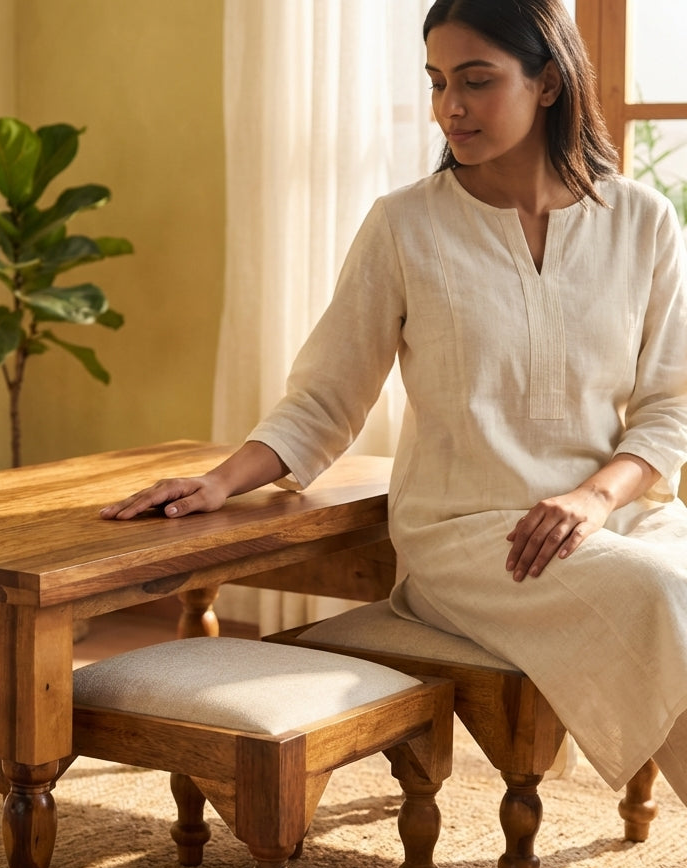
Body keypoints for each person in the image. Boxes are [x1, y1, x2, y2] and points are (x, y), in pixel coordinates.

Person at [100, 0, 687, 805]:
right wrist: (221, 481)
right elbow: (325, 396)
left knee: (668, 578)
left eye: (477, 82)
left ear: (548, 83)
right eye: (439, 82)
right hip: (474, 538)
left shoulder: (643, 223)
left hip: (611, 514)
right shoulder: (406, 227)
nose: (451, 106)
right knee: (657, 594)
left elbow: (671, 406)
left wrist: (591, 498)